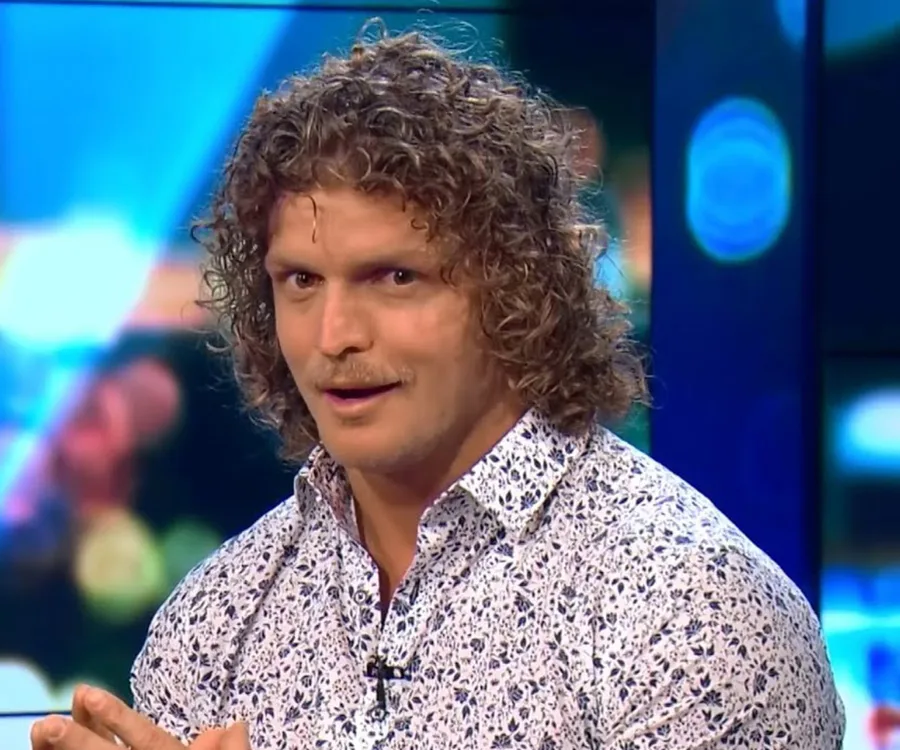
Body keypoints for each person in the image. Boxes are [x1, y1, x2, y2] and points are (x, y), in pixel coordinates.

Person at [31, 24, 844, 750]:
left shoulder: (696, 615)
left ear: (513, 291)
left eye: (394, 277)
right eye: (301, 281)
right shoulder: (216, 622)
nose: (335, 335)